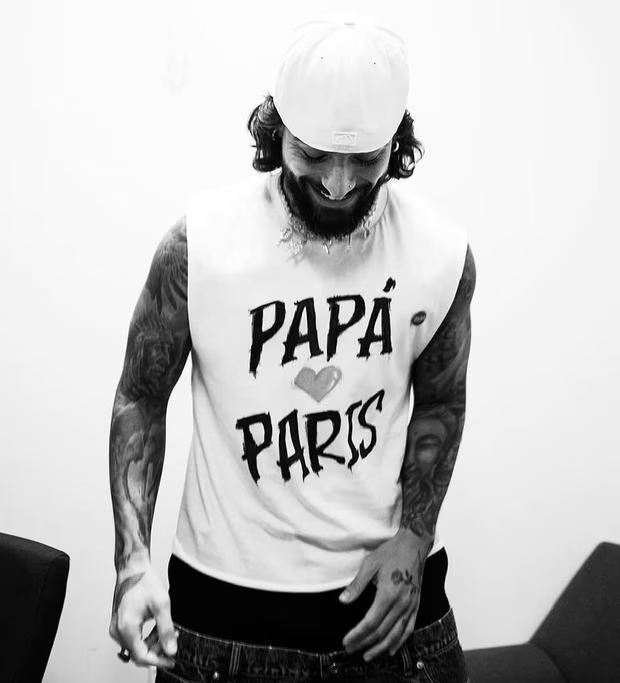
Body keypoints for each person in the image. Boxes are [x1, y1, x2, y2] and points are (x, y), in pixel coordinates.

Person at [109, 16, 475, 683]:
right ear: (275, 132)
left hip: (392, 611)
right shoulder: (199, 246)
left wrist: (415, 538)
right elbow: (140, 397)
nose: (338, 184)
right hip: (225, 616)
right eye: (314, 155)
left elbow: (441, 403)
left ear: (397, 143)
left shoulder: (442, 255)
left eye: (365, 160)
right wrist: (132, 563)